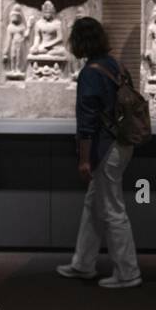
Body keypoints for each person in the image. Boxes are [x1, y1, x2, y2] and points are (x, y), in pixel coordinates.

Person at [56, 17, 142, 289]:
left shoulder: (91, 73)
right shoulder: (117, 66)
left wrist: (84, 159)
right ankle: (83, 263)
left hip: (104, 147)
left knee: (112, 209)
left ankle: (128, 272)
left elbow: (87, 122)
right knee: (94, 205)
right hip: (123, 143)